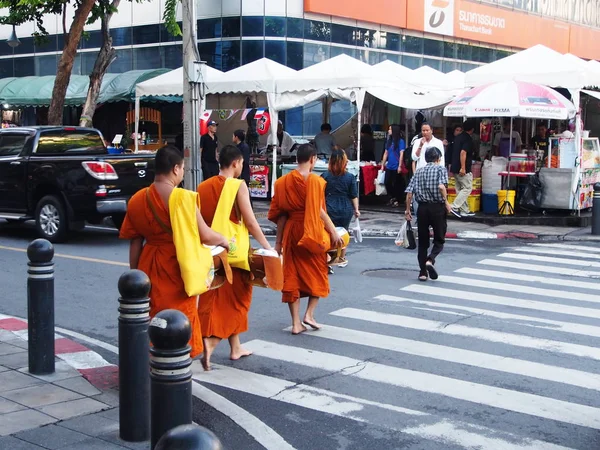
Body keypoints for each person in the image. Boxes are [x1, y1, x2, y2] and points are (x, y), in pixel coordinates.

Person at [119, 145, 229, 358]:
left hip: (147, 263)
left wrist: (137, 276)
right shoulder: (183, 198)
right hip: (177, 265)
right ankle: (175, 365)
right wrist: (224, 240)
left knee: (151, 315)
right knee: (178, 317)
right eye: (182, 168)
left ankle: (150, 358)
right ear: (176, 168)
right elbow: (205, 235)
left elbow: (134, 242)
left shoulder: (137, 199)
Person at [197, 145, 273, 371]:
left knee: (217, 298)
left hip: (212, 254)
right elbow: (250, 222)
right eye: (242, 164)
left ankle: (236, 347)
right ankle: (210, 344)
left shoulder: (203, 186)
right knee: (239, 300)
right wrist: (268, 248)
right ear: (236, 164)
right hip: (235, 256)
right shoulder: (238, 186)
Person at [268, 144, 343, 335]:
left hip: (292, 231)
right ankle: (309, 315)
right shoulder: (315, 181)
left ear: (296, 159)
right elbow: (319, 211)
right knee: (318, 271)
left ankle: (295, 323)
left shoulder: (283, 182)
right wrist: (333, 232)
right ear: (313, 159)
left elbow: (281, 215)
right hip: (312, 231)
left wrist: (278, 244)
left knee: (291, 275)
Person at [405, 147, 452, 282]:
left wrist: (408, 211)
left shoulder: (418, 172)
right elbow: (442, 187)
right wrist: (446, 202)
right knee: (439, 239)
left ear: (425, 158)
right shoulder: (441, 169)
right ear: (438, 158)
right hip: (437, 208)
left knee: (423, 242)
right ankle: (430, 260)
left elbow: (409, 193)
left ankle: (422, 273)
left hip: (422, 209)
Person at [321, 149, 360, 267]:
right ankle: (341, 257)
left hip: (329, 206)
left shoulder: (325, 176)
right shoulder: (350, 177)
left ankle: (329, 257)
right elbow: (353, 195)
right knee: (343, 232)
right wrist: (356, 210)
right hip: (345, 208)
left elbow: (321, 193)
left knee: (329, 232)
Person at [449, 120, 476, 218]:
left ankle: (465, 210)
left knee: (460, 189)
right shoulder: (467, 139)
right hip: (462, 168)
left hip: (455, 167)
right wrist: (463, 167)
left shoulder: (458, 137)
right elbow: (463, 153)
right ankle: (454, 206)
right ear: (472, 129)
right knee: (467, 188)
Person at [381, 124, 406, 208]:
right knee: (387, 182)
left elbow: (401, 153)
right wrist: (382, 165)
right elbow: (386, 153)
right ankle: (393, 198)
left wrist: (399, 165)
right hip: (389, 166)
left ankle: (395, 199)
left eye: (390, 129)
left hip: (396, 166)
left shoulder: (400, 141)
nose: (389, 131)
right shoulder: (388, 141)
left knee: (396, 184)